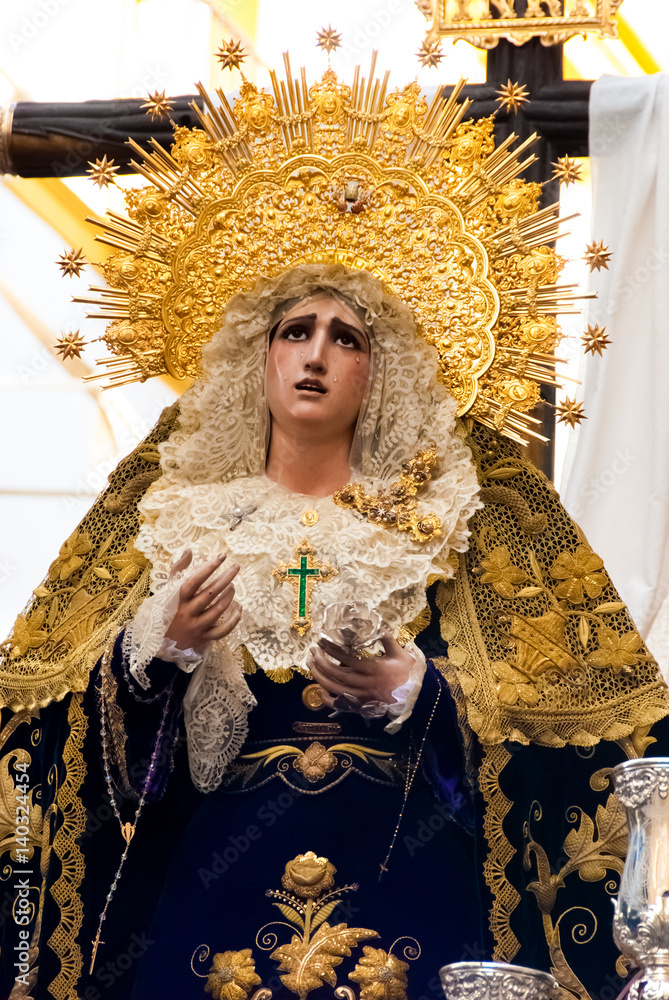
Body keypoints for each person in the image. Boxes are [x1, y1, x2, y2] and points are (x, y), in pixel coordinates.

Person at [1, 54, 668, 1000]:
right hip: (207, 905)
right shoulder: (171, 508)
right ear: (256, 357)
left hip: (415, 897)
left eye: (345, 337)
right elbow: (35, 732)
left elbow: (590, 745)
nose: (316, 354)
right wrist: (160, 660)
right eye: (294, 330)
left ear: (377, 369)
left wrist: (418, 694)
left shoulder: (466, 516)